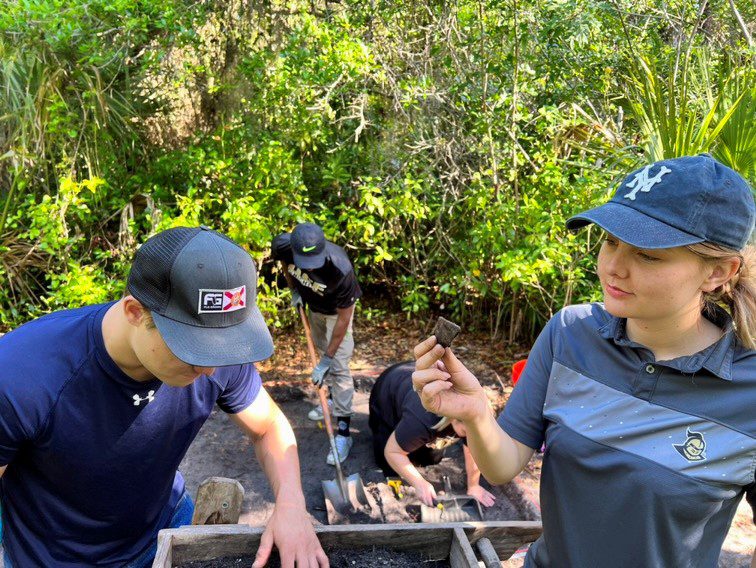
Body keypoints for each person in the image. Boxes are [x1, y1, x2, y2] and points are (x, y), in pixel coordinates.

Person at [412, 154, 756, 567]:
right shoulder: (569, 334)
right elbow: (503, 467)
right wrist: (476, 414)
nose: (613, 267)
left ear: (718, 272)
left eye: (647, 254)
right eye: (610, 241)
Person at [0, 226, 328, 568]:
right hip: (53, 558)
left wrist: (291, 505)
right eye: (193, 349)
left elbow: (268, 425)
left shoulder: (217, 355)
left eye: (220, 349)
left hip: (166, 527)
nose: (211, 370)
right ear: (135, 312)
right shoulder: (25, 375)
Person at [271, 223, 361, 465]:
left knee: (338, 367)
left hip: (335, 315)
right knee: (321, 350)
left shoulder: (341, 269)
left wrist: (328, 359)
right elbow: (284, 263)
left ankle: (343, 434)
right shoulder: (283, 245)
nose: (309, 268)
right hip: (314, 309)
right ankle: (330, 399)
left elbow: (344, 318)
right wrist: (294, 290)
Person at [368, 361, 496, 508]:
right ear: (455, 419)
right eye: (468, 434)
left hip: (417, 407)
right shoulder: (423, 420)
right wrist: (419, 482)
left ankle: (408, 441)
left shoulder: (473, 415)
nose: (472, 440)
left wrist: (473, 486)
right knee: (387, 463)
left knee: (431, 458)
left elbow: (474, 450)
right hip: (387, 392)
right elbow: (392, 452)